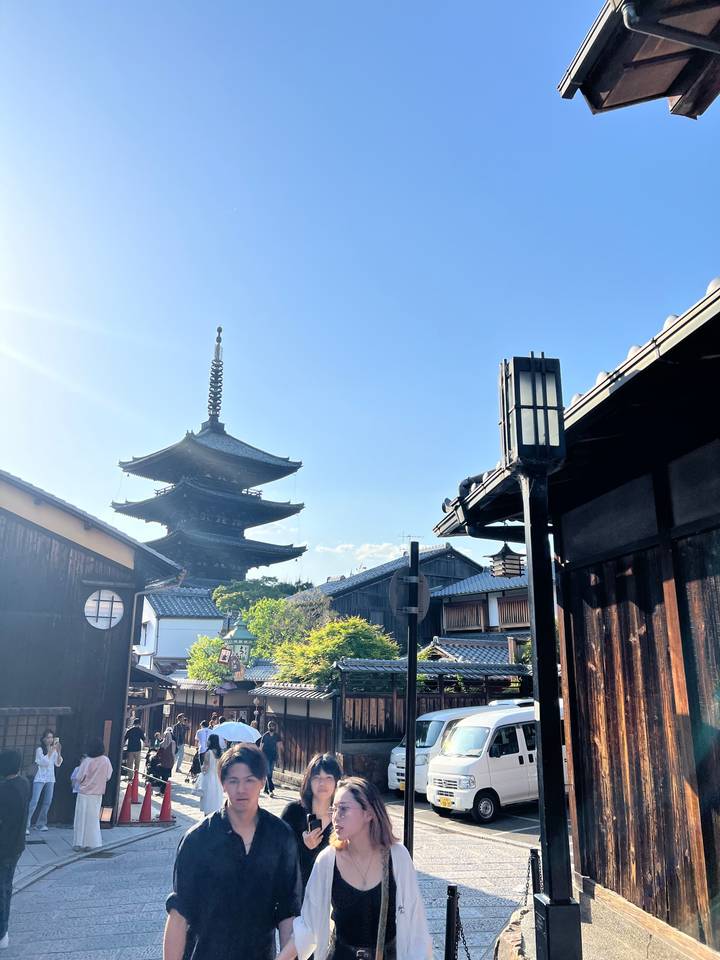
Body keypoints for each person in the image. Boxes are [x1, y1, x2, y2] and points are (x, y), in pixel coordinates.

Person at [163, 743, 302, 960]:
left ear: (263, 781)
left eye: (250, 780)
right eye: (233, 781)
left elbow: (288, 911)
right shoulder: (198, 838)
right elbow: (179, 913)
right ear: (223, 783)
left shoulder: (280, 836)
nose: (241, 789)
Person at [277, 777, 432, 960]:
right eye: (334, 809)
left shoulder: (397, 857)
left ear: (369, 813)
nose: (335, 816)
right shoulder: (328, 860)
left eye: (343, 809)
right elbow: (307, 926)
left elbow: (416, 926)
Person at [281, 753, 342, 891]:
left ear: (337, 782)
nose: (322, 783)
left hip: (330, 897)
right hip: (295, 896)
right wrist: (303, 847)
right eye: (317, 778)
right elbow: (279, 855)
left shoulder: (341, 818)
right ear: (308, 781)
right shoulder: (293, 812)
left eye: (328, 778)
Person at [0, 750, 30, 951]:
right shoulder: (24, 784)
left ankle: (2, 932)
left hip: (3, 846)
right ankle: (3, 932)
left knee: (2, 890)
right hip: (17, 844)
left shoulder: (4, 791)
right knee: (6, 889)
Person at [72, 738, 113, 852]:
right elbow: (108, 776)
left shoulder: (87, 761)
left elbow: (79, 777)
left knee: (81, 819)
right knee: (93, 819)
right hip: (97, 793)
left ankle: (78, 843)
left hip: (84, 793)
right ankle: (92, 843)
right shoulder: (106, 761)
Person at [26, 729, 62, 834]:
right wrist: (50, 752)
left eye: (51, 737)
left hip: (50, 778)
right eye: (48, 737)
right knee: (34, 801)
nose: (50, 739)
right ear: (43, 739)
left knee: (48, 801)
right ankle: (25, 825)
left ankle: (41, 823)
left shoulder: (54, 750)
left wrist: (58, 752)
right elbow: (43, 762)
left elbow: (57, 763)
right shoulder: (39, 749)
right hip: (39, 777)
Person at [199, 734, 224, 816]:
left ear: (211, 741)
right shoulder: (221, 754)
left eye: (208, 740)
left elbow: (205, 768)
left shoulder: (208, 753)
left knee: (208, 797)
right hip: (217, 778)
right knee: (216, 797)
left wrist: (201, 767)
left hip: (209, 778)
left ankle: (207, 815)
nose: (207, 741)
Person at [260, 720, 282, 797]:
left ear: (274, 727)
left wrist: (279, 757)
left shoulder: (277, 736)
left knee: (270, 773)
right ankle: (271, 790)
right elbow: (261, 746)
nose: (271, 727)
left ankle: (266, 790)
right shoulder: (265, 735)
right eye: (270, 726)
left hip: (273, 756)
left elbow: (279, 747)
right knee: (268, 773)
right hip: (265, 756)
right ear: (268, 727)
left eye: (272, 726)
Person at [155, 729, 176, 794]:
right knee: (166, 777)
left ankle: (161, 790)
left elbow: (158, 754)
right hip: (171, 761)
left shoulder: (162, 744)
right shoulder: (173, 743)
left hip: (163, 762)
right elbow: (174, 752)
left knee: (162, 776)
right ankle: (163, 790)